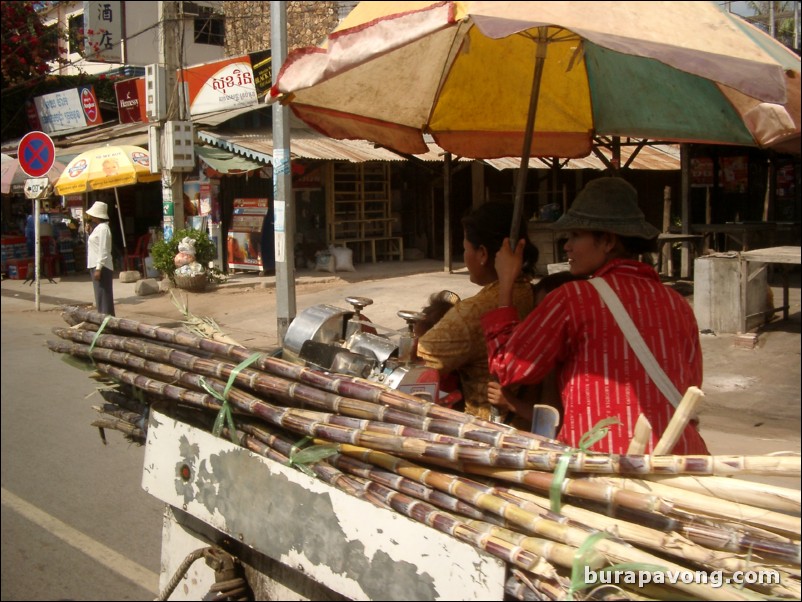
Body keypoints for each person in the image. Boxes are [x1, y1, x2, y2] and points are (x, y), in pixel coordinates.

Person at [482, 178, 709, 455]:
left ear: (608, 241)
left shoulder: (572, 298)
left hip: (602, 463)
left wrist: (506, 282)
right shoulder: (678, 304)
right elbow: (692, 386)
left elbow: (508, 368)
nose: (567, 246)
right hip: (677, 457)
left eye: (576, 235)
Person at [416, 201, 539, 423]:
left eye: (465, 249)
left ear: (482, 253)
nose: (464, 256)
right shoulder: (530, 292)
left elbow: (418, 367)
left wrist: (420, 332)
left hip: (486, 429)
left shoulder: (473, 311)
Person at [486, 270, 584, 431]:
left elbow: (553, 421)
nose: (540, 318)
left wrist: (510, 402)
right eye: (537, 311)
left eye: (546, 311)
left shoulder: (559, 357)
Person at [85, 201, 115, 316]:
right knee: (100, 296)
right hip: (96, 264)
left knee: (103, 296)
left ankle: (106, 320)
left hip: (102, 266)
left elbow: (103, 250)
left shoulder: (103, 229)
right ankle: (104, 319)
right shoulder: (98, 228)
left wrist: (98, 268)